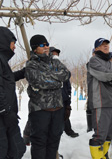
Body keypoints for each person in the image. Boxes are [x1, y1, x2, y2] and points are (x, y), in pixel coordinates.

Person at [25, 34, 70, 159]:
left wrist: (48, 76)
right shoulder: (31, 64)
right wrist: (56, 79)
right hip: (40, 110)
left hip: (57, 109)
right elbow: (39, 82)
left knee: (54, 142)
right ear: (35, 49)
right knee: (39, 143)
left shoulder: (55, 61)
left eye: (47, 44)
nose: (45, 47)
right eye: (42, 45)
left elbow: (66, 75)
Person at [87, 38, 112, 159]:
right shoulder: (93, 61)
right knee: (100, 135)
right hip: (101, 102)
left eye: (107, 44)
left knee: (110, 134)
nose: (106, 46)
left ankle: (103, 155)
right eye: (102, 45)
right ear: (96, 48)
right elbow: (105, 76)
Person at [0, 26, 26, 159]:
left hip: (7, 115)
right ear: (4, 41)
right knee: (5, 149)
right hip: (3, 116)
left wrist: (22, 73)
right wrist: (5, 110)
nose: (14, 47)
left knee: (17, 148)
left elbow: (6, 79)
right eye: (13, 43)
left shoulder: (3, 61)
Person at [50, 47, 79, 138]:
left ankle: (68, 130)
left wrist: (68, 102)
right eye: (53, 54)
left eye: (56, 54)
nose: (55, 56)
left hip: (63, 98)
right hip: (51, 101)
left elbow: (67, 85)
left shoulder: (63, 69)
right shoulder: (47, 68)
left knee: (65, 115)